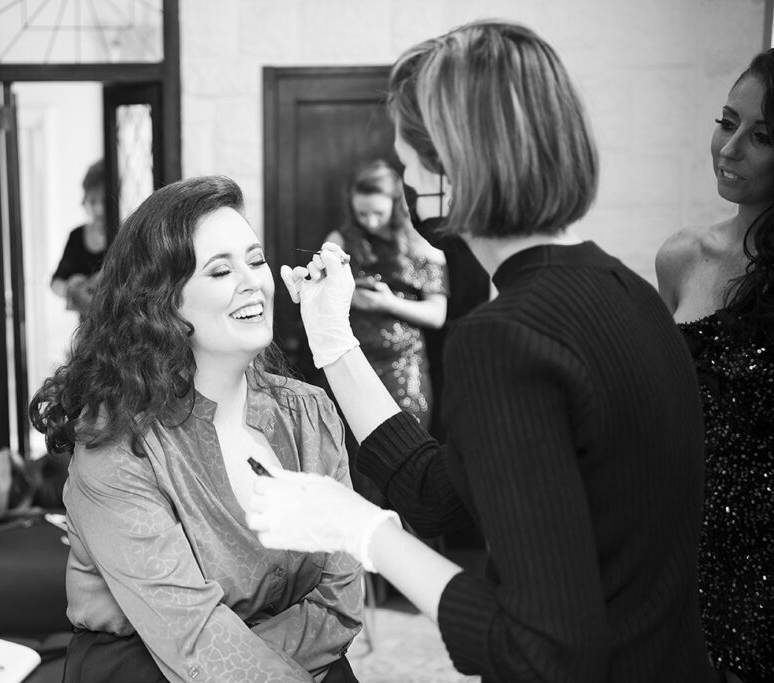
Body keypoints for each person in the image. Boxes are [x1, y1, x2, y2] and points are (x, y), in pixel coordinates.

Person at [247, 20, 716, 683]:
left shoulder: (504, 336)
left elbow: (544, 651)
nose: (403, 171)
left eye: (407, 153)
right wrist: (332, 337)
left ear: (454, 163)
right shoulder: (626, 290)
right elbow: (441, 495)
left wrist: (362, 531)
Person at [30, 175, 364, 683]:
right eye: (220, 270)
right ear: (163, 305)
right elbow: (193, 641)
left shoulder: (310, 415)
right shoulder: (118, 448)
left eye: (255, 260)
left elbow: (341, 604)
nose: (252, 281)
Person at [655, 48, 774, 683]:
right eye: (727, 122)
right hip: (687, 549)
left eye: (763, 137)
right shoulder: (682, 257)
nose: (729, 149)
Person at [326, 159, 447, 431]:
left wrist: (388, 302)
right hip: (352, 366)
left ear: (395, 204)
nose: (370, 221)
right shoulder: (340, 240)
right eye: (362, 213)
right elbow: (323, 298)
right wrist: (349, 297)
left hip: (404, 368)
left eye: (378, 212)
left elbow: (437, 314)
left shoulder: (420, 245)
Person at [50, 161, 110, 317]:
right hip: (88, 329)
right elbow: (56, 282)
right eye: (92, 201)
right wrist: (73, 289)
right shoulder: (76, 236)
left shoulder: (125, 234)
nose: (98, 209)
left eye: (103, 201)